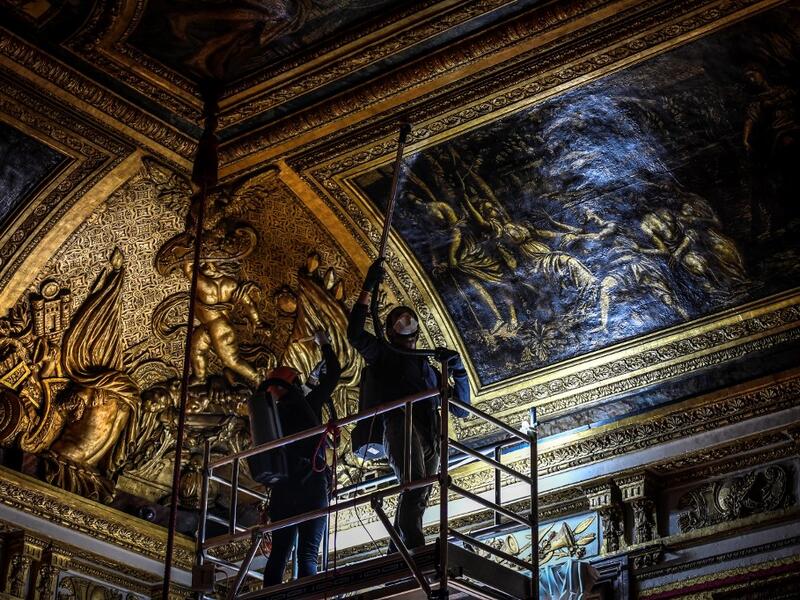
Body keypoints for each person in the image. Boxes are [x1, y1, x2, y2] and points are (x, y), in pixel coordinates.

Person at [347, 259, 470, 551]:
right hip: (401, 425)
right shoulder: (383, 354)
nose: (405, 323)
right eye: (399, 320)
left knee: (419, 494)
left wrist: (459, 370)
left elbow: (461, 409)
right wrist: (367, 286)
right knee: (413, 486)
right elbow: (354, 334)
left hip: (431, 432)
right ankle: (414, 546)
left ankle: (396, 551)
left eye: (408, 319)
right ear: (390, 331)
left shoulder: (427, 365)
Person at [261, 330, 341, 586]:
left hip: (283, 490)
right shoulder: (309, 403)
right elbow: (335, 373)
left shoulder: (268, 416)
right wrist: (324, 343)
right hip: (311, 484)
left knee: (279, 554)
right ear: (295, 384)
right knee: (307, 554)